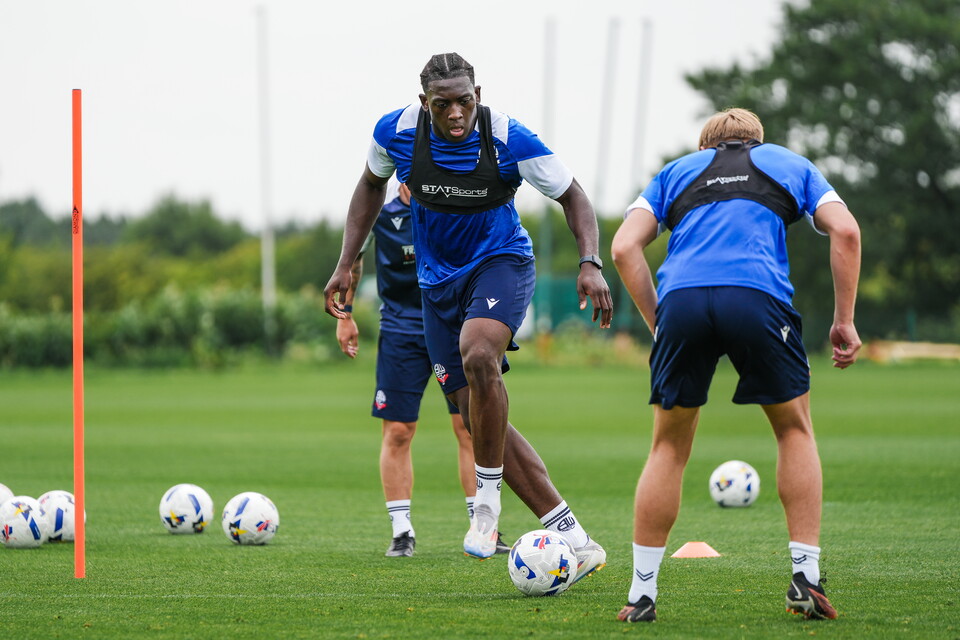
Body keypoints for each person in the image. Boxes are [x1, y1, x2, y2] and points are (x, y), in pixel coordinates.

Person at [323, 52, 613, 580]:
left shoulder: (508, 138)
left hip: (501, 263)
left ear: (478, 94)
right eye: (443, 105)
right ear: (423, 103)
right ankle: (572, 534)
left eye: (465, 101)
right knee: (472, 409)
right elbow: (369, 186)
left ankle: (485, 506)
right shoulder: (397, 133)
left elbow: (574, 197)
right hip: (436, 286)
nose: (455, 114)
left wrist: (590, 262)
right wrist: (346, 263)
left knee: (479, 354)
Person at [611, 108, 861, 622]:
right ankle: (806, 579)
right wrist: (844, 321)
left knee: (668, 446)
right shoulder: (788, 163)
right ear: (757, 141)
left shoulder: (678, 171)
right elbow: (847, 233)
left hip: (681, 300)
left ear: (707, 145)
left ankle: (642, 595)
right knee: (794, 430)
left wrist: (661, 323)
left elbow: (623, 247)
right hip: (757, 298)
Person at [335, 177, 509, 557]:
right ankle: (402, 532)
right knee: (398, 430)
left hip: (455, 328)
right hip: (402, 331)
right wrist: (345, 315)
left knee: (471, 427)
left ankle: (483, 527)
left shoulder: (458, 205)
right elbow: (353, 261)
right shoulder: (380, 211)